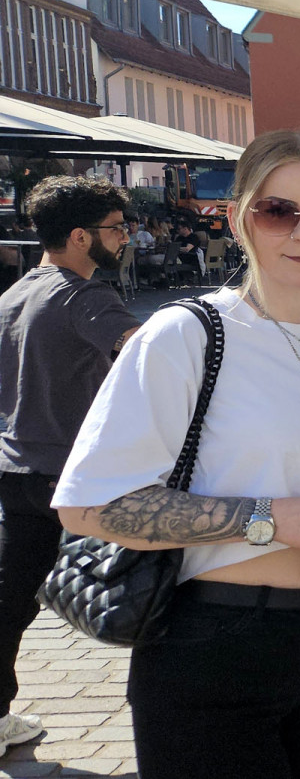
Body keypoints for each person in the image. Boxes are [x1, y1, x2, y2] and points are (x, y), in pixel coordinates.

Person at [51, 130, 300, 779]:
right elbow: (90, 506)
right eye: (278, 211)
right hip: (214, 640)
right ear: (238, 217)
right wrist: (272, 518)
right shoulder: (186, 335)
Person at [0, 175, 141, 756]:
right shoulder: (86, 297)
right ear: (81, 237)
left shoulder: (14, 295)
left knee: (9, 605)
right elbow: (149, 351)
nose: (127, 237)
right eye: (117, 228)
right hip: (78, 481)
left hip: (15, 473)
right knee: (158, 585)